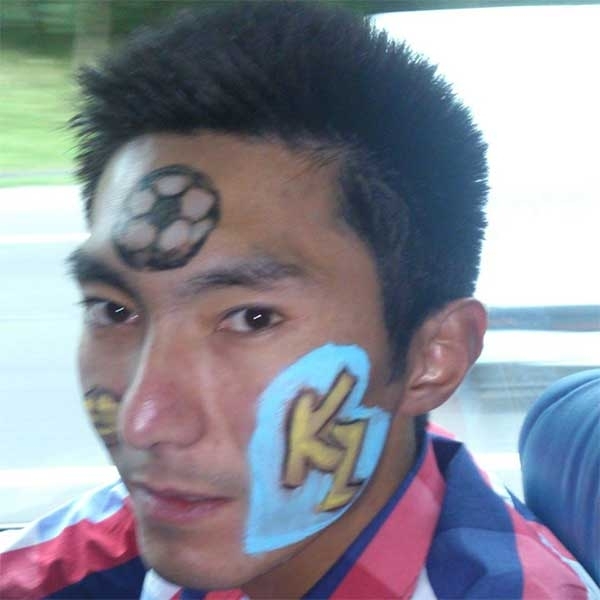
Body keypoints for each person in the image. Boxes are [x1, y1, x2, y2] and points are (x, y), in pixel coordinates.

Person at [1, 2, 597, 598]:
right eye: (114, 310)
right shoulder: (98, 551)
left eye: (251, 318)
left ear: (431, 358)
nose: (143, 422)